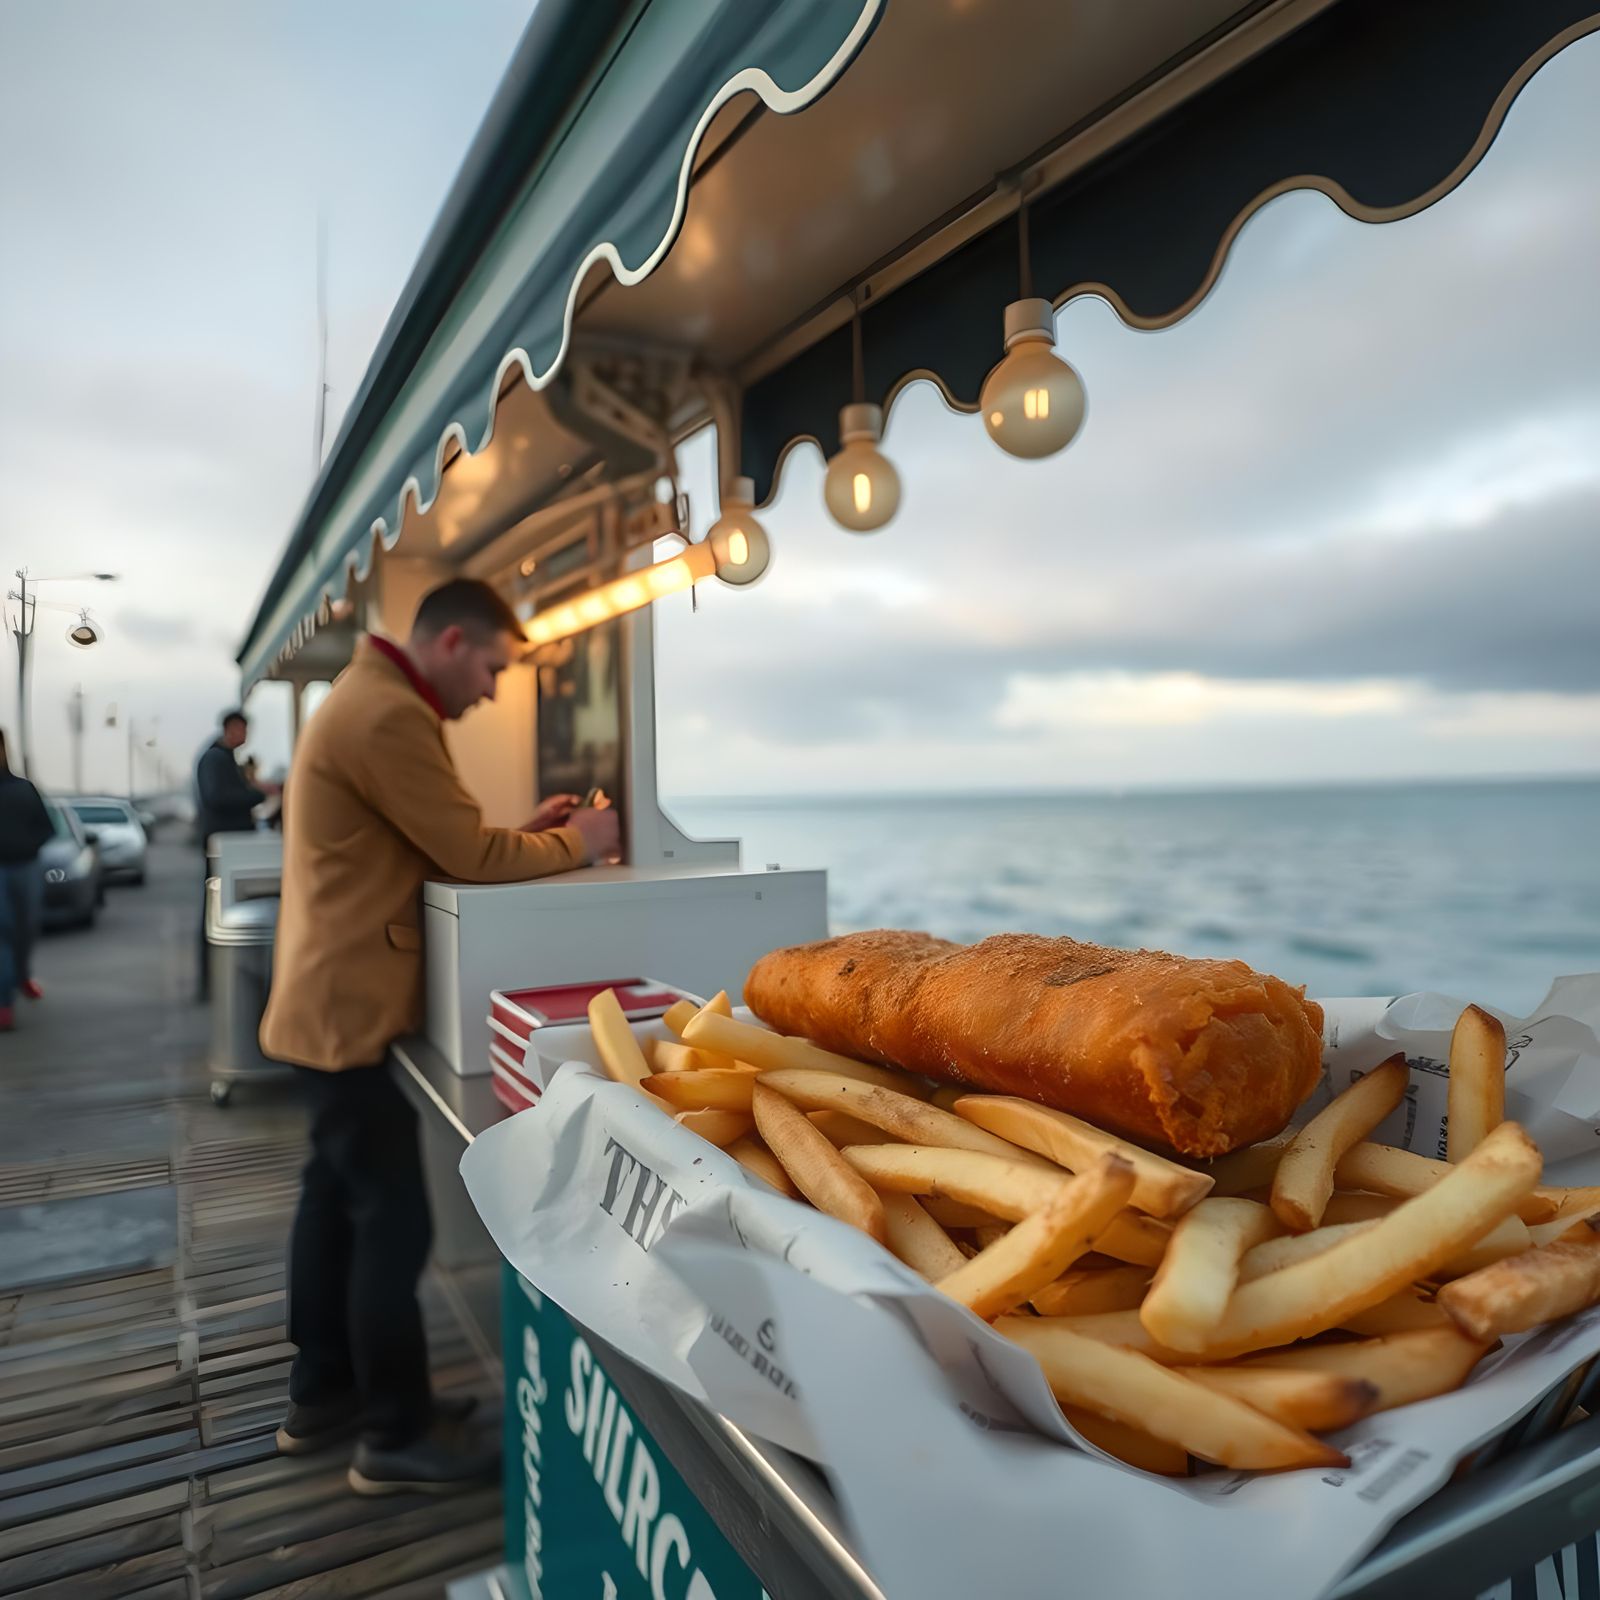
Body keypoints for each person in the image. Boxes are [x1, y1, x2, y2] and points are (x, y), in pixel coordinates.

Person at [261, 578, 618, 1496]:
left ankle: (325, 1393)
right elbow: (468, 856)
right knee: (392, 1219)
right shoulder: (390, 715)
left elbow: (427, 841)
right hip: (346, 1011)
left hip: (322, 1003)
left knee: (334, 1201)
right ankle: (393, 1434)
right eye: (493, 667)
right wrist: (583, 841)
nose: (493, 690)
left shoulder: (365, 698)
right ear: (452, 641)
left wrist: (523, 833)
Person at [194, 709, 267, 1000]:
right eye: (242, 729)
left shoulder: (222, 758)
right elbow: (217, 798)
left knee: (216, 911)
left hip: (226, 849)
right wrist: (258, 794)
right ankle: (211, 981)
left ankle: (214, 982)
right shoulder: (215, 759)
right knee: (215, 913)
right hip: (223, 850)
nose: (245, 736)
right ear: (231, 729)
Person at [0, 730, 53, 1032]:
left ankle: (21, 976)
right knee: (3, 933)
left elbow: (45, 827)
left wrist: (27, 845)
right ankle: (4, 1003)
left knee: (26, 929)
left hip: (26, 867)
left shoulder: (23, 788)